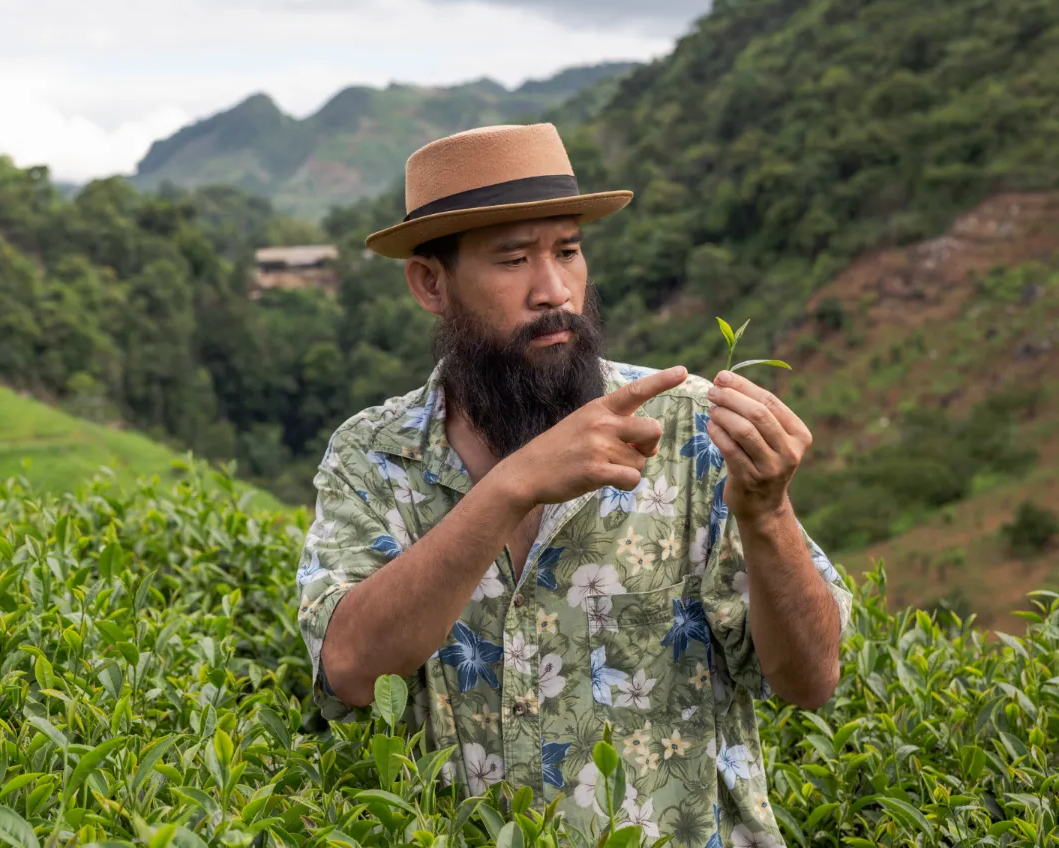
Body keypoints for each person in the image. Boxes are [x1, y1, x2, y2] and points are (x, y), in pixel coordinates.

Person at [297, 123, 850, 846]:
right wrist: (510, 488)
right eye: (513, 259)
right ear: (432, 283)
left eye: (567, 250)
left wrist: (769, 512)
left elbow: (810, 682)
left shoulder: (688, 432)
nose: (553, 290)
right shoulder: (375, 456)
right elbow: (348, 668)